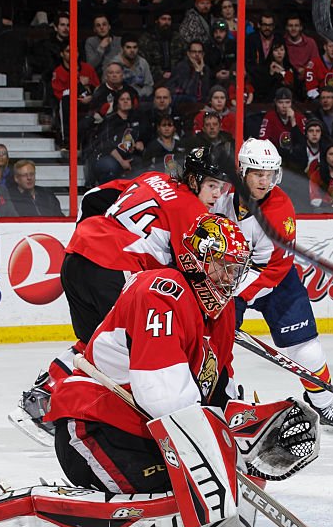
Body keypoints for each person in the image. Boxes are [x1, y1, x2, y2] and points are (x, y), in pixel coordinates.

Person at [0, 211, 320, 527]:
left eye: (236, 270)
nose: (229, 280)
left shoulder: (224, 313)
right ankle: (43, 513)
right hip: (95, 430)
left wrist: (255, 427)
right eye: (222, 268)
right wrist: (223, 451)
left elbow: (219, 394)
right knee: (189, 491)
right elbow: (164, 399)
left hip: (148, 437)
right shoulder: (162, 290)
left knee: (218, 482)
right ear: (196, 262)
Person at [12, 147, 231, 444]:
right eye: (212, 185)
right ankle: (61, 402)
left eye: (222, 186)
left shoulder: (154, 179)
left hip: (76, 256)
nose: (218, 194)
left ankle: (41, 395)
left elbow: (93, 197)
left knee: (97, 342)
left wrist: (97, 235)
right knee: (122, 345)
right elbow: (192, 270)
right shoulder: (192, 212)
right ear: (193, 180)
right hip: (113, 269)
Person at [211, 139, 333, 433]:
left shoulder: (280, 208)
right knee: (216, 344)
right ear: (242, 171)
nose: (264, 180)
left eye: (269, 174)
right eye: (257, 173)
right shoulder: (221, 196)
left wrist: (235, 300)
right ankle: (219, 399)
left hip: (275, 280)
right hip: (225, 277)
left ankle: (322, 403)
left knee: (306, 349)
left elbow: (273, 268)